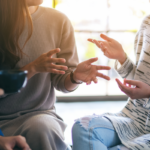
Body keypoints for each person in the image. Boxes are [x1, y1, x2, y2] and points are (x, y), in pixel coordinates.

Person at [0, 0, 111, 150]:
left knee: (42, 127)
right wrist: (32, 68)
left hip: (39, 115)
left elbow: (62, 82)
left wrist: (75, 77)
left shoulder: (59, 21)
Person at [72, 11, 150, 150]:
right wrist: (121, 58)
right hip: (134, 119)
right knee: (83, 128)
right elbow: (140, 79)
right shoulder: (147, 22)